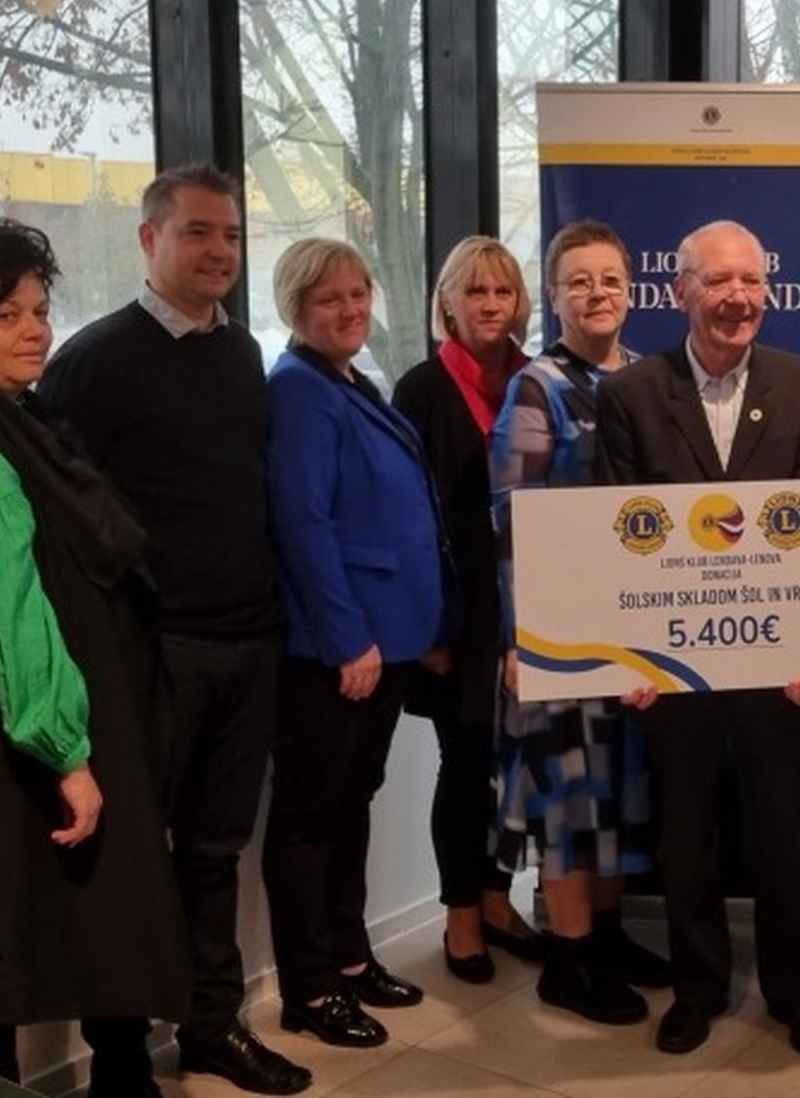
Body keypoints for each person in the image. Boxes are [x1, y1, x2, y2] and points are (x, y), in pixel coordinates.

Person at [0, 220, 189, 1095]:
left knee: (106, 931)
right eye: (6, 315)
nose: (34, 330)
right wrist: (66, 752)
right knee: (5, 963)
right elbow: (4, 614)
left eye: (39, 310)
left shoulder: (14, 411)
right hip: (25, 740)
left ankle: (126, 1079)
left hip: (77, 717)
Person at [36, 164, 307, 1095]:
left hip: (249, 640)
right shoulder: (96, 360)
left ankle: (211, 1024)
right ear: (150, 240)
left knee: (214, 849)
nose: (219, 251)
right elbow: (65, 517)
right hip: (155, 653)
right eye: (197, 232)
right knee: (129, 860)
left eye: (230, 234)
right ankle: (120, 1059)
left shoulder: (241, 353)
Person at [594, 220, 800, 1065]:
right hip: (674, 663)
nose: (738, 298)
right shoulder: (631, 395)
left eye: (751, 281)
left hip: (779, 662)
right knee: (687, 834)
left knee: (786, 831)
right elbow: (615, 533)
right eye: (718, 282)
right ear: (681, 292)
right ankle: (697, 989)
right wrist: (628, 658)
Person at [262, 238, 449, 1050]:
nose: (350, 309)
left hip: (388, 638)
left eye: (358, 293)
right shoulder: (298, 392)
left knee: (350, 804)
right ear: (295, 308)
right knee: (310, 819)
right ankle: (309, 988)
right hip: (338, 649)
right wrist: (347, 640)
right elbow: (303, 524)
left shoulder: (348, 382)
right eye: (329, 298)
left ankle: (348, 957)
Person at [487, 220, 670, 1025]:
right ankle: (568, 963)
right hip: (561, 631)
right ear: (555, 295)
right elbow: (513, 521)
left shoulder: (651, 378)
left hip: (638, 627)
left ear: (632, 290)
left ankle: (606, 938)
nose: (598, 293)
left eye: (611, 279)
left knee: (620, 785)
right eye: (580, 281)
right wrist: (522, 637)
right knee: (569, 792)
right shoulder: (537, 388)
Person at [391, 235, 544, 983]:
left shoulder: (537, 381)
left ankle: (496, 898)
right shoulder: (421, 389)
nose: (490, 304)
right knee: (466, 763)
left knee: (519, 766)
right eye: (475, 291)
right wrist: (428, 626)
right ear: (446, 302)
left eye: (502, 291)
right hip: (459, 614)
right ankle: (459, 915)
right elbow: (408, 516)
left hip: (535, 606)